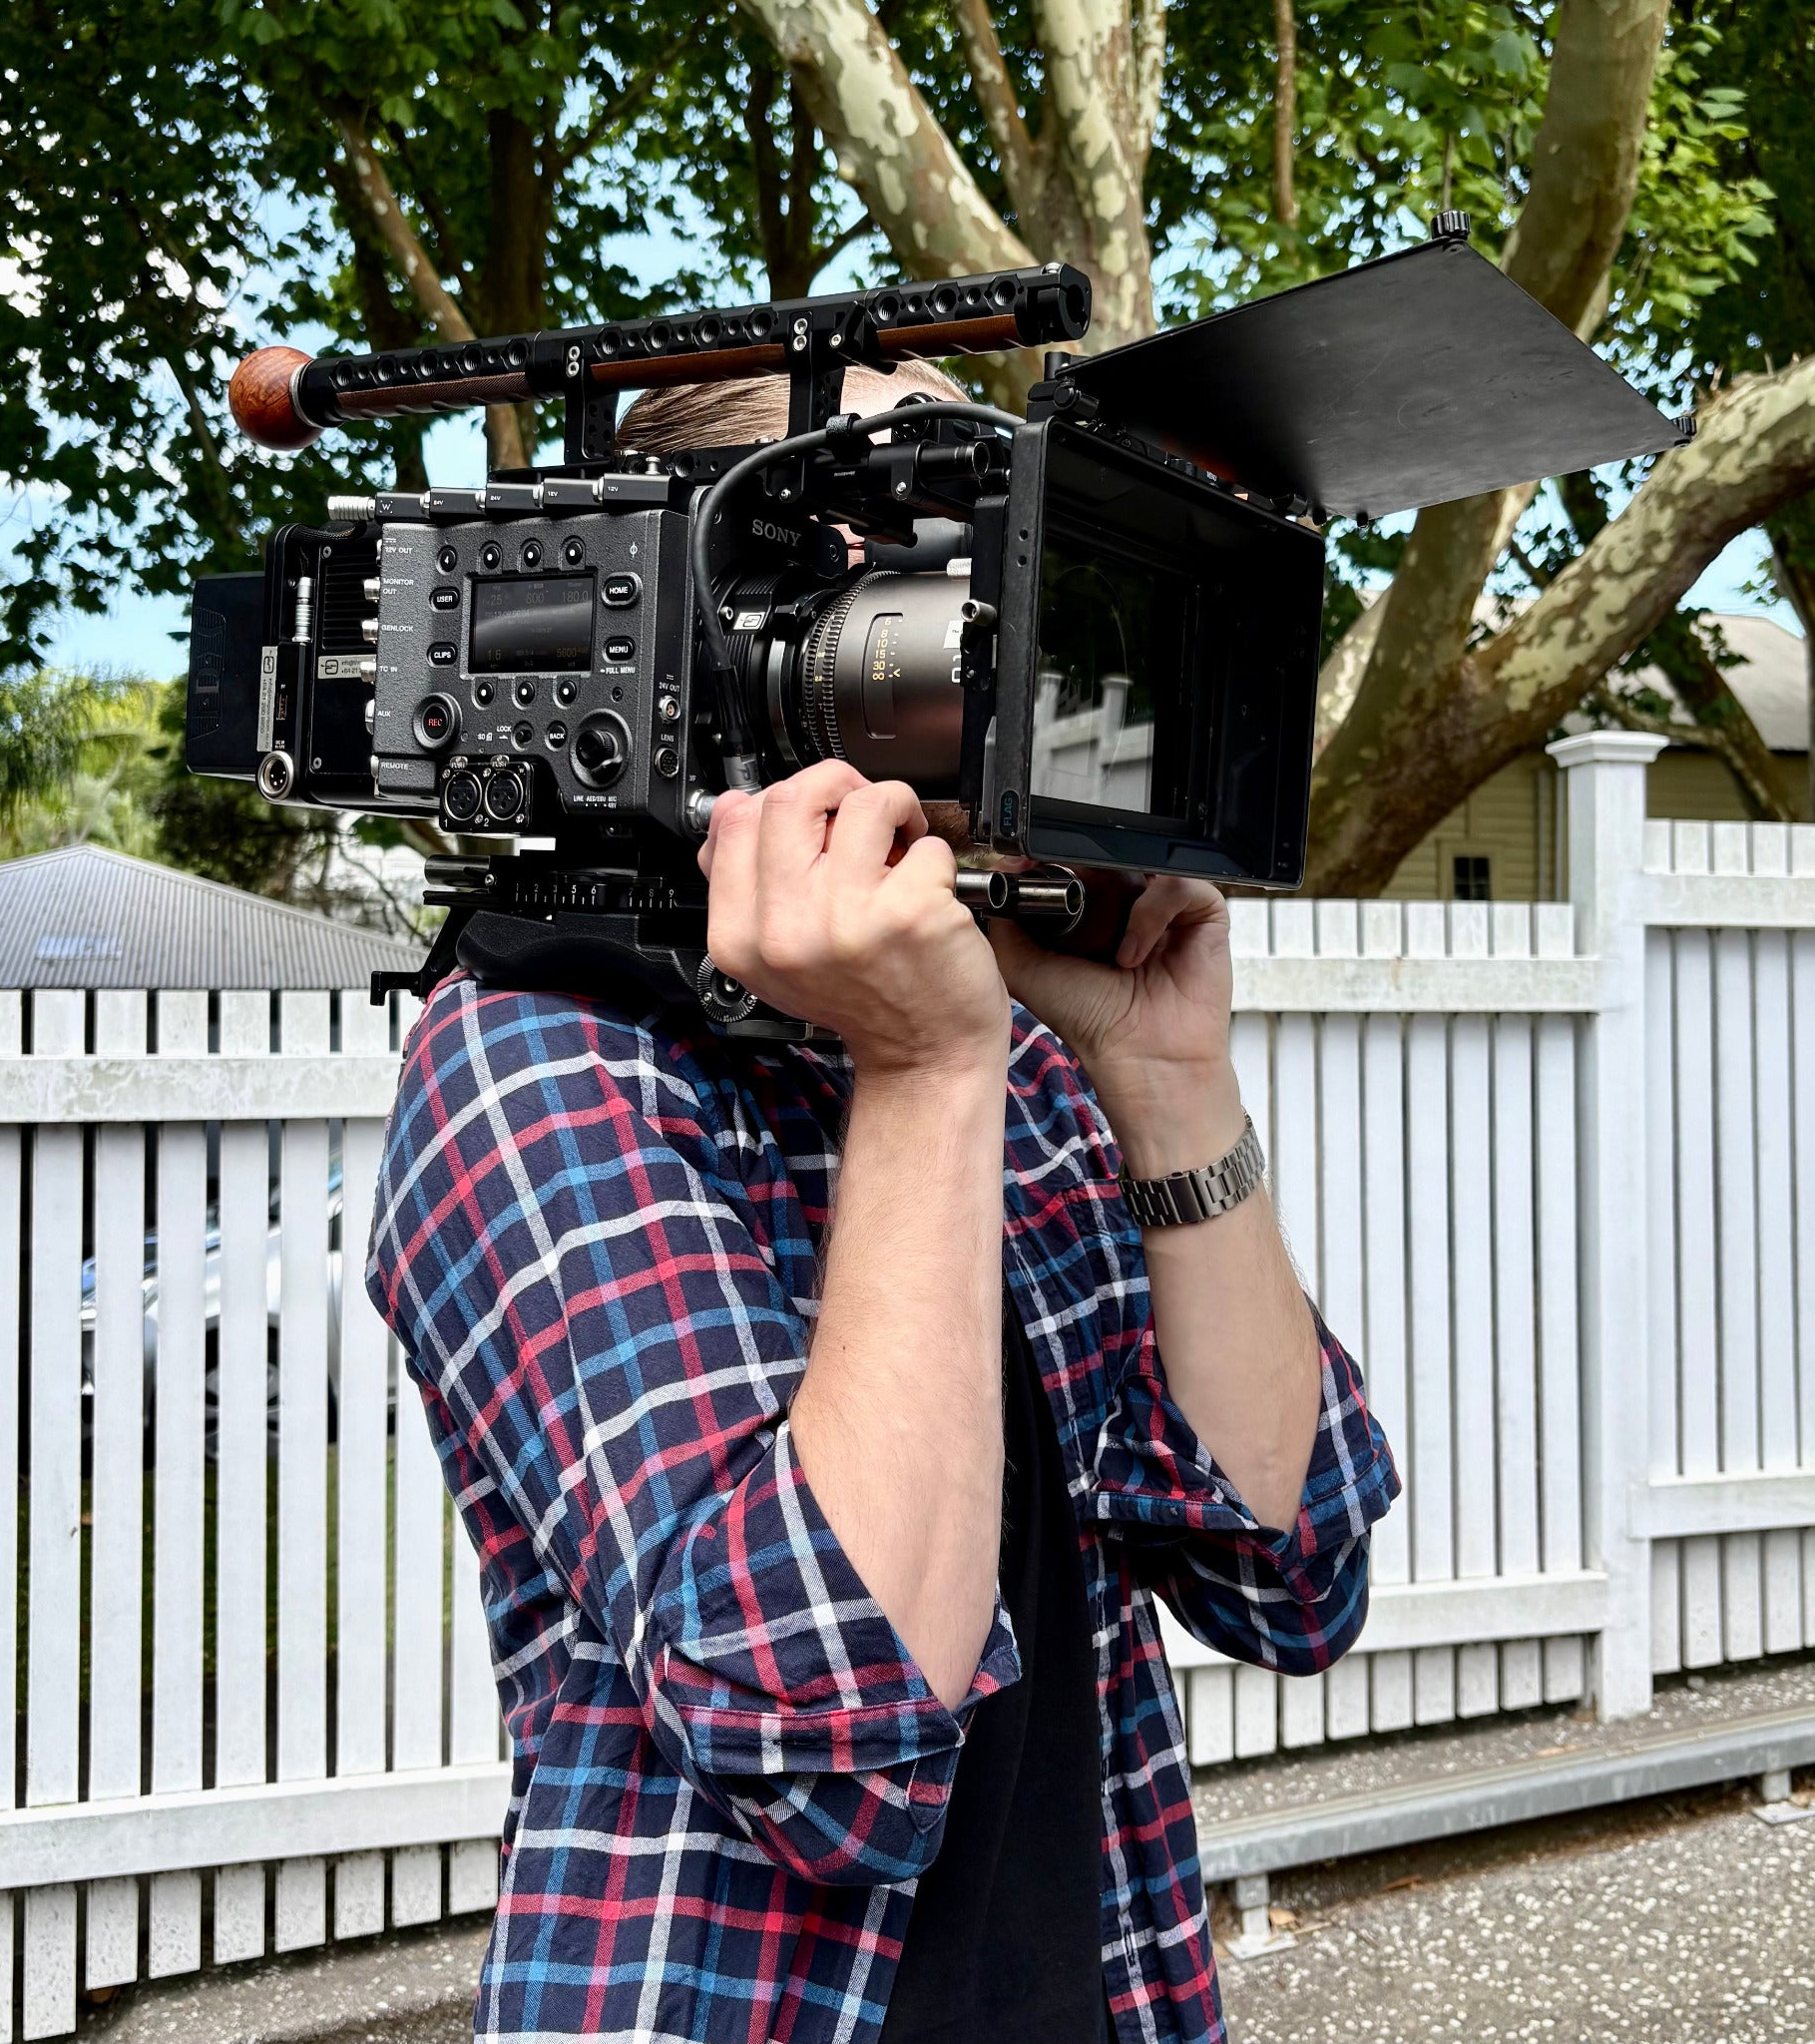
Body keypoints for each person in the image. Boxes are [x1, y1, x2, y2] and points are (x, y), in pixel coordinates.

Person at [367, 359, 1398, 2044]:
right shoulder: (544, 1056)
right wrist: (925, 1080)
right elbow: (832, 1734)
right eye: (957, 546)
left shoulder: (998, 1036)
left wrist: (1165, 1076)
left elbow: (1290, 1574)